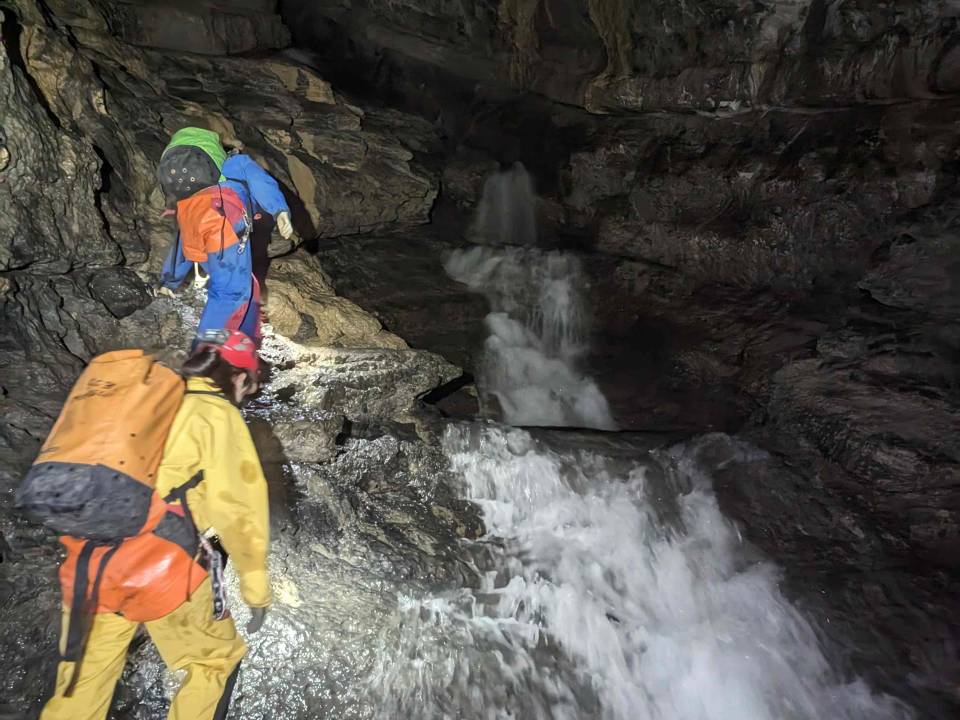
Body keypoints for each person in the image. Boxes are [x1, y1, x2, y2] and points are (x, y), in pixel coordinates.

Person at [41, 330, 271, 720]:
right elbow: (238, 508)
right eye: (248, 387)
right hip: (162, 569)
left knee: (81, 684)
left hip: (89, 564)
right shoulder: (215, 413)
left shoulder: (143, 402)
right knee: (215, 661)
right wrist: (256, 589)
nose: (245, 397)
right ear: (239, 377)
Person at [158, 128, 294, 345]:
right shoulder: (229, 165)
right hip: (221, 216)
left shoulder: (186, 201)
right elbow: (257, 178)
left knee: (238, 287)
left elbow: (181, 242)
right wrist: (279, 209)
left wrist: (170, 280)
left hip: (192, 224)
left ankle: (242, 340)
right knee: (231, 292)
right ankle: (206, 356)